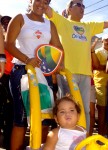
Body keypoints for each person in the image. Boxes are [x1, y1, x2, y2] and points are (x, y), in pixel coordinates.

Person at [45, 0, 108, 131]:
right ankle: (67, 141)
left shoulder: (89, 26)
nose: (82, 8)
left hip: (86, 75)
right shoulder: (61, 21)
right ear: (68, 9)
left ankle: (83, 141)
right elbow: (45, 7)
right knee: (66, 110)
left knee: (85, 111)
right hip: (67, 74)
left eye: (83, 5)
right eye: (78, 5)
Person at [5, 0, 63, 149]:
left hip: (44, 74)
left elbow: (58, 47)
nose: (41, 4)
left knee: (45, 118)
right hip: (22, 71)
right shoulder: (20, 18)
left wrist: (59, 63)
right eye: (38, 0)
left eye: (46, 2)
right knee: (21, 118)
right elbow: (9, 44)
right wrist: (27, 60)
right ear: (31, 1)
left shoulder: (50, 24)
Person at [93, 34, 108, 137]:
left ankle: (106, 133)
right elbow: (97, 66)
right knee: (102, 109)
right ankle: (101, 134)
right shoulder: (98, 52)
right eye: (107, 40)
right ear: (102, 41)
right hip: (101, 83)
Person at [0, 15, 14, 150]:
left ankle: (8, 141)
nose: (5, 24)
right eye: (3, 22)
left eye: (8, 22)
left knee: (11, 110)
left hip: (13, 76)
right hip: (2, 76)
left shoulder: (15, 39)